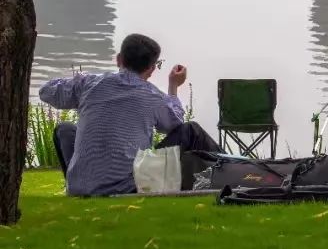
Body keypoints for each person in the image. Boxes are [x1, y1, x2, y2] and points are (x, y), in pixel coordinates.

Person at [39, 33, 221, 195]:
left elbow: (46, 91)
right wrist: (173, 88)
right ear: (151, 68)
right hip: (126, 186)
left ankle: (77, 184)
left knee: (64, 129)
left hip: (79, 187)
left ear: (119, 59)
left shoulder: (89, 84)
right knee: (191, 130)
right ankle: (237, 171)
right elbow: (175, 125)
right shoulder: (152, 96)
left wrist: (80, 80)